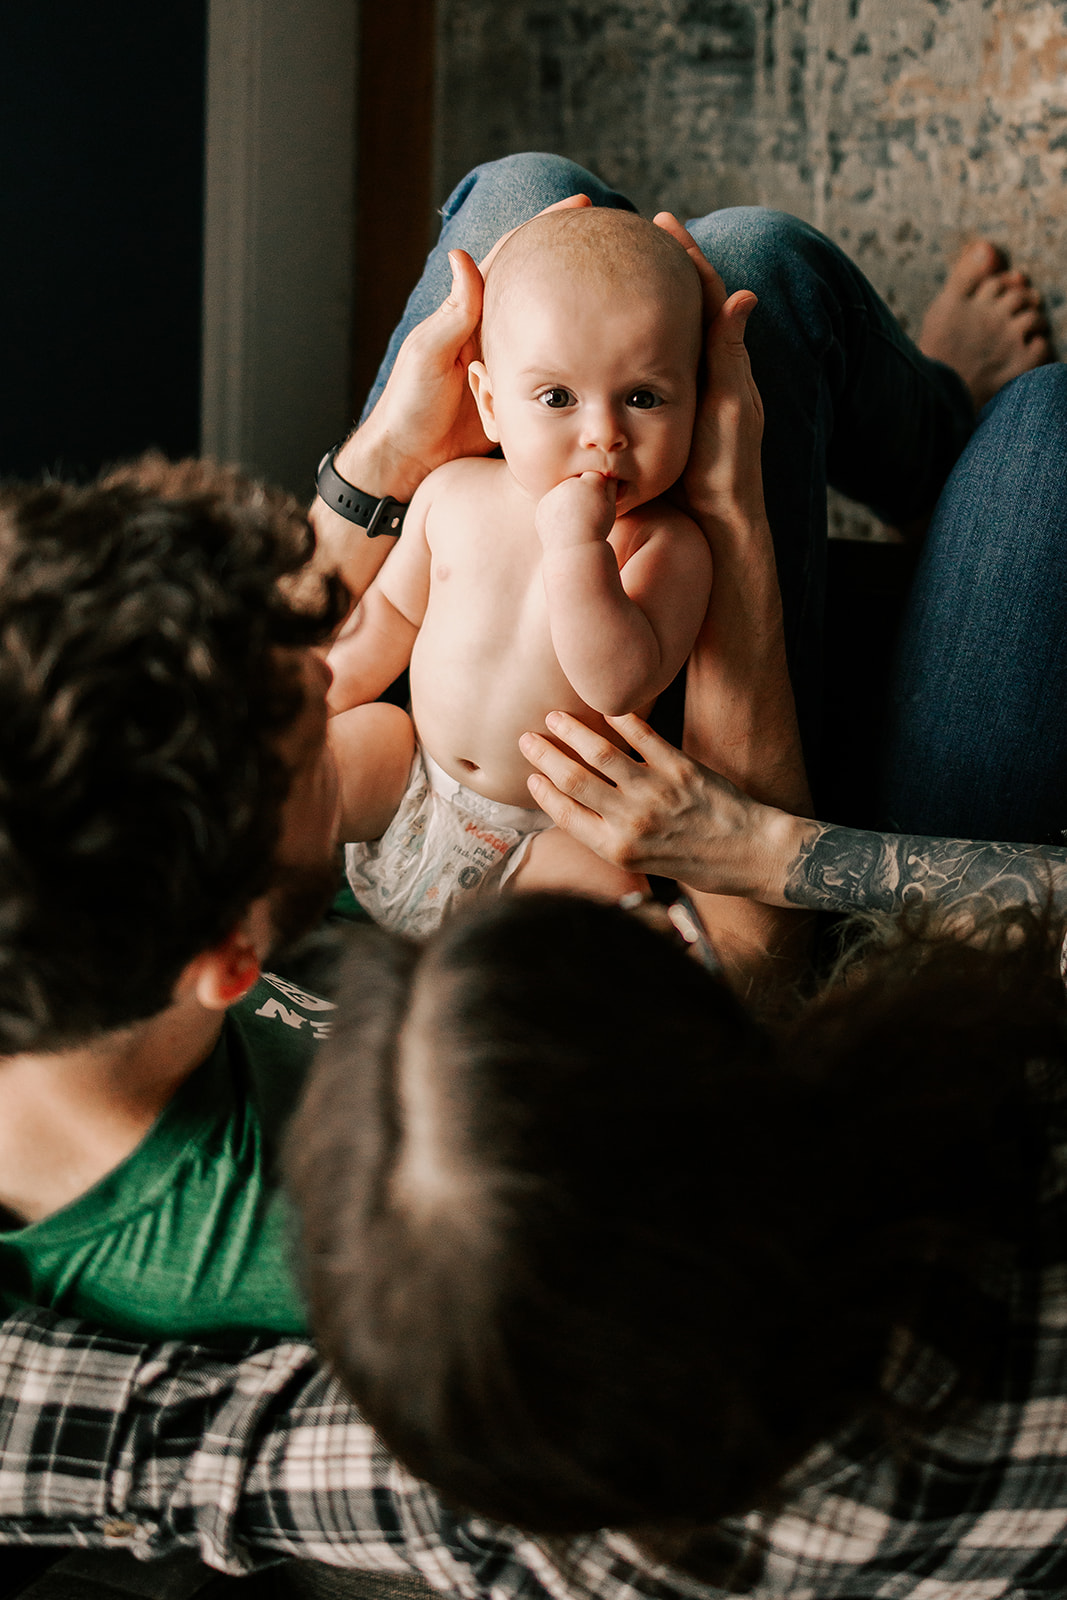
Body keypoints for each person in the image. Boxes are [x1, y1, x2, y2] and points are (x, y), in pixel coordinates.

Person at [0, 152, 1064, 1598]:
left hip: (636, 819)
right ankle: (933, 452)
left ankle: (916, 420)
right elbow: (755, 964)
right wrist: (735, 524)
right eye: (292, 743)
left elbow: (339, 649)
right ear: (232, 955)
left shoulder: (86, 922)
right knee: (1024, 432)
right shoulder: (406, 1205)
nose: (321, 698)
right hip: (758, 916)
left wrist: (389, 450)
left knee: (578, 219)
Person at [0, 456, 347, 1341]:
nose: (332, 683)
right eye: (316, 759)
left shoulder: (86, 924)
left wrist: (370, 472)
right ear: (231, 960)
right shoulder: (317, 1236)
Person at [328, 206, 711, 934]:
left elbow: (619, 684)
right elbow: (388, 618)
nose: (603, 433)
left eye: (643, 398)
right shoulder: (450, 492)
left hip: (546, 831)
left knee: (610, 876)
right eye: (557, 398)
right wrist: (320, 701)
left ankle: (653, 953)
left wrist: (577, 551)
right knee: (350, 740)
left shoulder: (665, 545)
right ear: (490, 404)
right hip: (410, 786)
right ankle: (229, 876)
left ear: (698, 402)